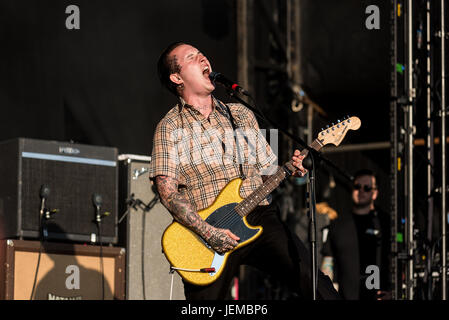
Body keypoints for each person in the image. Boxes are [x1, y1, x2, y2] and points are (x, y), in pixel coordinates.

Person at [149, 41, 340, 300]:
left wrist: (292, 169)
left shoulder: (240, 113)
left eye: (203, 53)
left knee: (312, 281)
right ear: (176, 77)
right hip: (206, 233)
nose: (204, 58)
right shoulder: (169, 127)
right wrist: (209, 232)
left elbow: (267, 171)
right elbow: (168, 193)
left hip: (258, 214)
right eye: (193, 57)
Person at [321, 169, 391, 300]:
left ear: (375, 193)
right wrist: (328, 292)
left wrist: (395, 292)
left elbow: (398, 259)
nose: (361, 191)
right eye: (357, 187)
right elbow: (328, 262)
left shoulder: (385, 223)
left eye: (367, 188)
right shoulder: (337, 224)